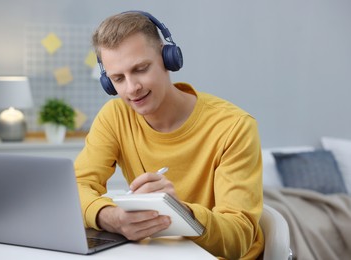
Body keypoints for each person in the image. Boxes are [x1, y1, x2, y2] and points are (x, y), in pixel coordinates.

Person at [75, 10, 264, 259]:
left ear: (168, 58)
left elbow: (237, 240)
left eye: (141, 69)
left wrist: (178, 211)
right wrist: (110, 217)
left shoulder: (234, 127)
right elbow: (77, 186)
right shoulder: (115, 116)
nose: (132, 88)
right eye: (118, 78)